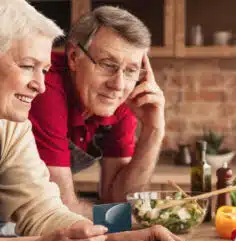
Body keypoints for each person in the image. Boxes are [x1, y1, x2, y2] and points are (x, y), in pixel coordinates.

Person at [0, 1, 199, 241]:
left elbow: (43, 211)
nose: (40, 85)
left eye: (43, 70)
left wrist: (121, 239)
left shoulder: (7, 119)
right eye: (27, 66)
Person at [29, 6, 165, 219]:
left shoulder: (120, 99)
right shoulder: (46, 86)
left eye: (131, 71)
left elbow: (120, 199)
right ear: (74, 57)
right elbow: (60, 212)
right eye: (108, 65)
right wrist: (128, 222)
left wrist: (153, 130)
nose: (118, 84)